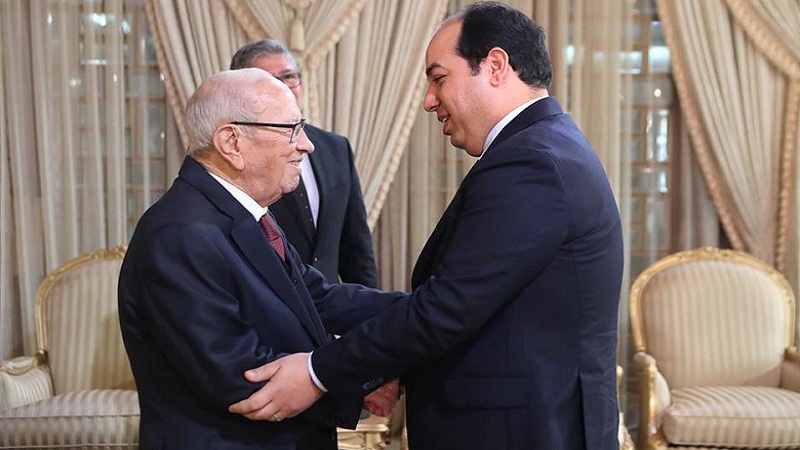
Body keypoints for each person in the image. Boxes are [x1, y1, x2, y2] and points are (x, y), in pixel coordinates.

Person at [229, 2, 624, 450]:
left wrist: (317, 372)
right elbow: (461, 302)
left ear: (495, 66)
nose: (429, 100)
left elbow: (446, 309)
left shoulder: (532, 163)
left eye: (439, 79)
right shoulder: (543, 147)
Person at [118, 68, 403, 450]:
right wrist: (361, 377)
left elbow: (317, 298)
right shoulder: (180, 234)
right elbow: (242, 376)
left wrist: (424, 310)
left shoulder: (241, 213)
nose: (307, 145)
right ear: (232, 142)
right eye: (291, 129)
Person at [230, 39, 378, 287]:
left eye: (289, 76)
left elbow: (356, 245)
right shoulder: (236, 152)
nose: (284, 87)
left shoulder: (336, 147)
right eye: (270, 81)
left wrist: (371, 307)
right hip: (268, 302)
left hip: (330, 303)